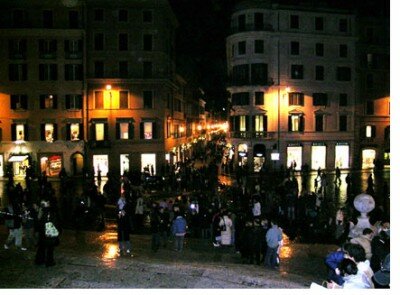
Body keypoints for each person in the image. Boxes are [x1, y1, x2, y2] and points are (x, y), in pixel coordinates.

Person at [35, 200, 60, 267]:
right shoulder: (51, 211)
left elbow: (38, 222)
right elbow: (56, 222)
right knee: (50, 248)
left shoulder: (40, 211)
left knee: (42, 247)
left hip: (42, 233)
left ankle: (40, 261)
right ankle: (49, 262)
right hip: (49, 232)